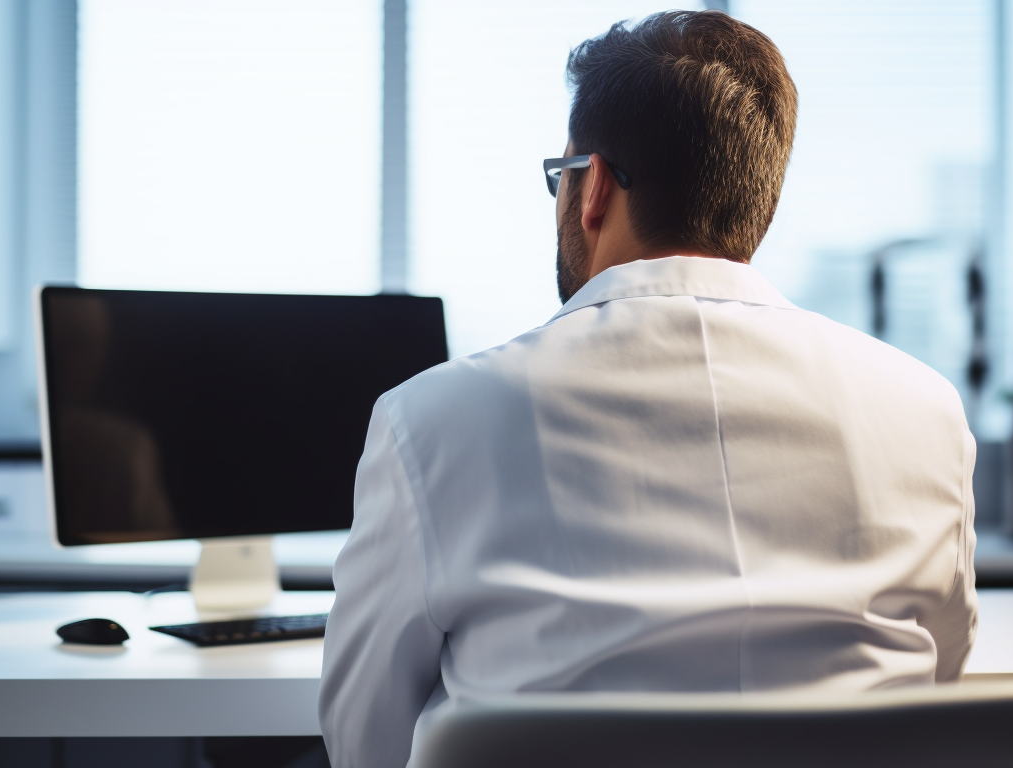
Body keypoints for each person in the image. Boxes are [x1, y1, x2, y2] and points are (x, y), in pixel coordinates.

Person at [319, 10, 976, 767]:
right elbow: (938, 698)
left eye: (562, 179)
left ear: (592, 187)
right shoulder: (924, 414)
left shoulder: (430, 423)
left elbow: (362, 745)